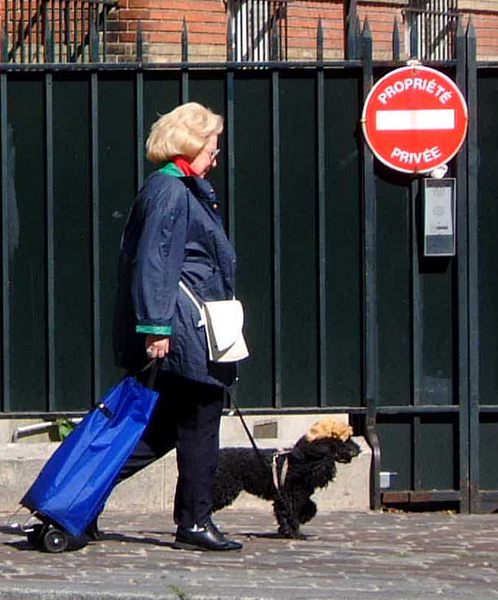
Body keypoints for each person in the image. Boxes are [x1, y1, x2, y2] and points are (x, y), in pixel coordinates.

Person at [109, 102, 243, 552]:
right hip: (185, 329)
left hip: (184, 325)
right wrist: (157, 327)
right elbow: (157, 261)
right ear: (190, 145)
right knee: (202, 421)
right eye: (212, 146)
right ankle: (194, 523)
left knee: (162, 429)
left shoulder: (180, 188)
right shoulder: (171, 191)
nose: (216, 155)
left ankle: (77, 497)